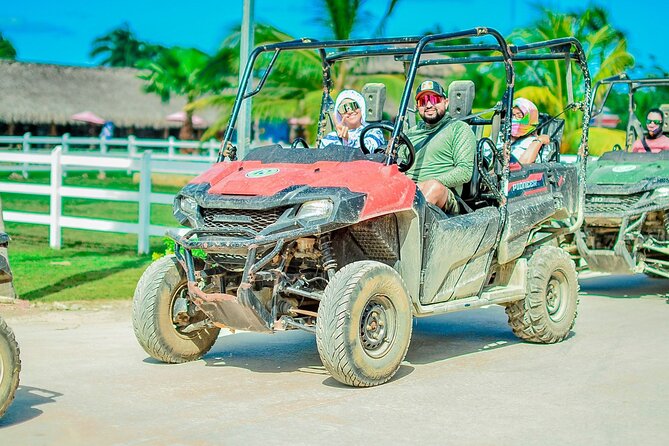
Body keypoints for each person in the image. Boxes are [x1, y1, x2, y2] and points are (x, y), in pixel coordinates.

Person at [404, 80, 476, 214]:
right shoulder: (409, 133)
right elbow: (398, 167)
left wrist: (421, 187)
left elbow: (464, 171)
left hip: (444, 195)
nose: (429, 105)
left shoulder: (458, 129)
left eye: (434, 99)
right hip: (408, 191)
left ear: (446, 102)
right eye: (423, 101)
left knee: (433, 187)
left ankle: (411, 225)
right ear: (417, 107)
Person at [319, 89, 385, 151]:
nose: (350, 111)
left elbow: (368, 150)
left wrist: (348, 139)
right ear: (338, 114)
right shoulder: (331, 137)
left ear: (361, 107)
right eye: (344, 108)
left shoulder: (373, 132)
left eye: (354, 106)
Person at [507, 98, 550, 164]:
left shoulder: (532, 142)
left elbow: (523, 165)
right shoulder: (501, 137)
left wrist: (539, 141)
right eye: (512, 116)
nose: (514, 120)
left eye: (519, 115)